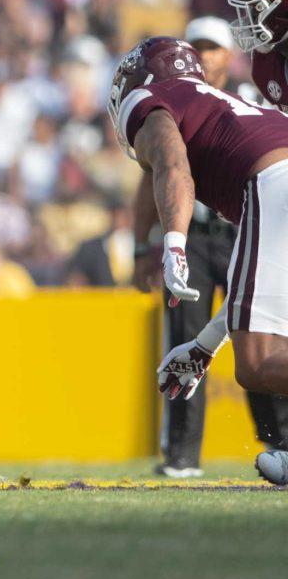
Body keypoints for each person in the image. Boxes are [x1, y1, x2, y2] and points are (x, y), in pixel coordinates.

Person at [107, 37, 288, 485]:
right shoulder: (232, 103)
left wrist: (172, 242)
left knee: (259, 362)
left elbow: (171, 164)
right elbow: (253, 295)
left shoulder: (153, 100)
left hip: (273, 184)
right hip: (276, 185)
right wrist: (204, 346)